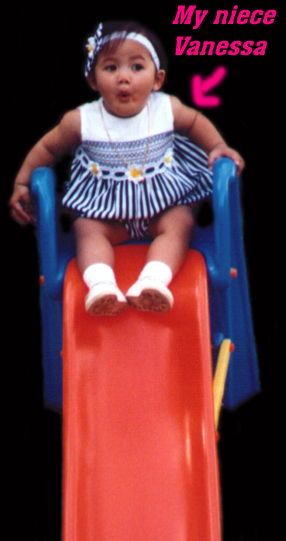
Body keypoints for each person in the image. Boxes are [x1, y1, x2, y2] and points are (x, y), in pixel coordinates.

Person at [10, 20, 244, 316]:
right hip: (109, 216)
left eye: (136, 67)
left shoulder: (165, 109)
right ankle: (101, 285)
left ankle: (154, 281)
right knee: (87, 229)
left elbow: (195, 123)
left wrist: (217, 147)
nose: (124, 78)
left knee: (180, 222)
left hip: (160, 207)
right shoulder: (82, 120)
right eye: (111, 68)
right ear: (93, 80)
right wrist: (21, 182)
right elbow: (47, 148)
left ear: (157, 79)